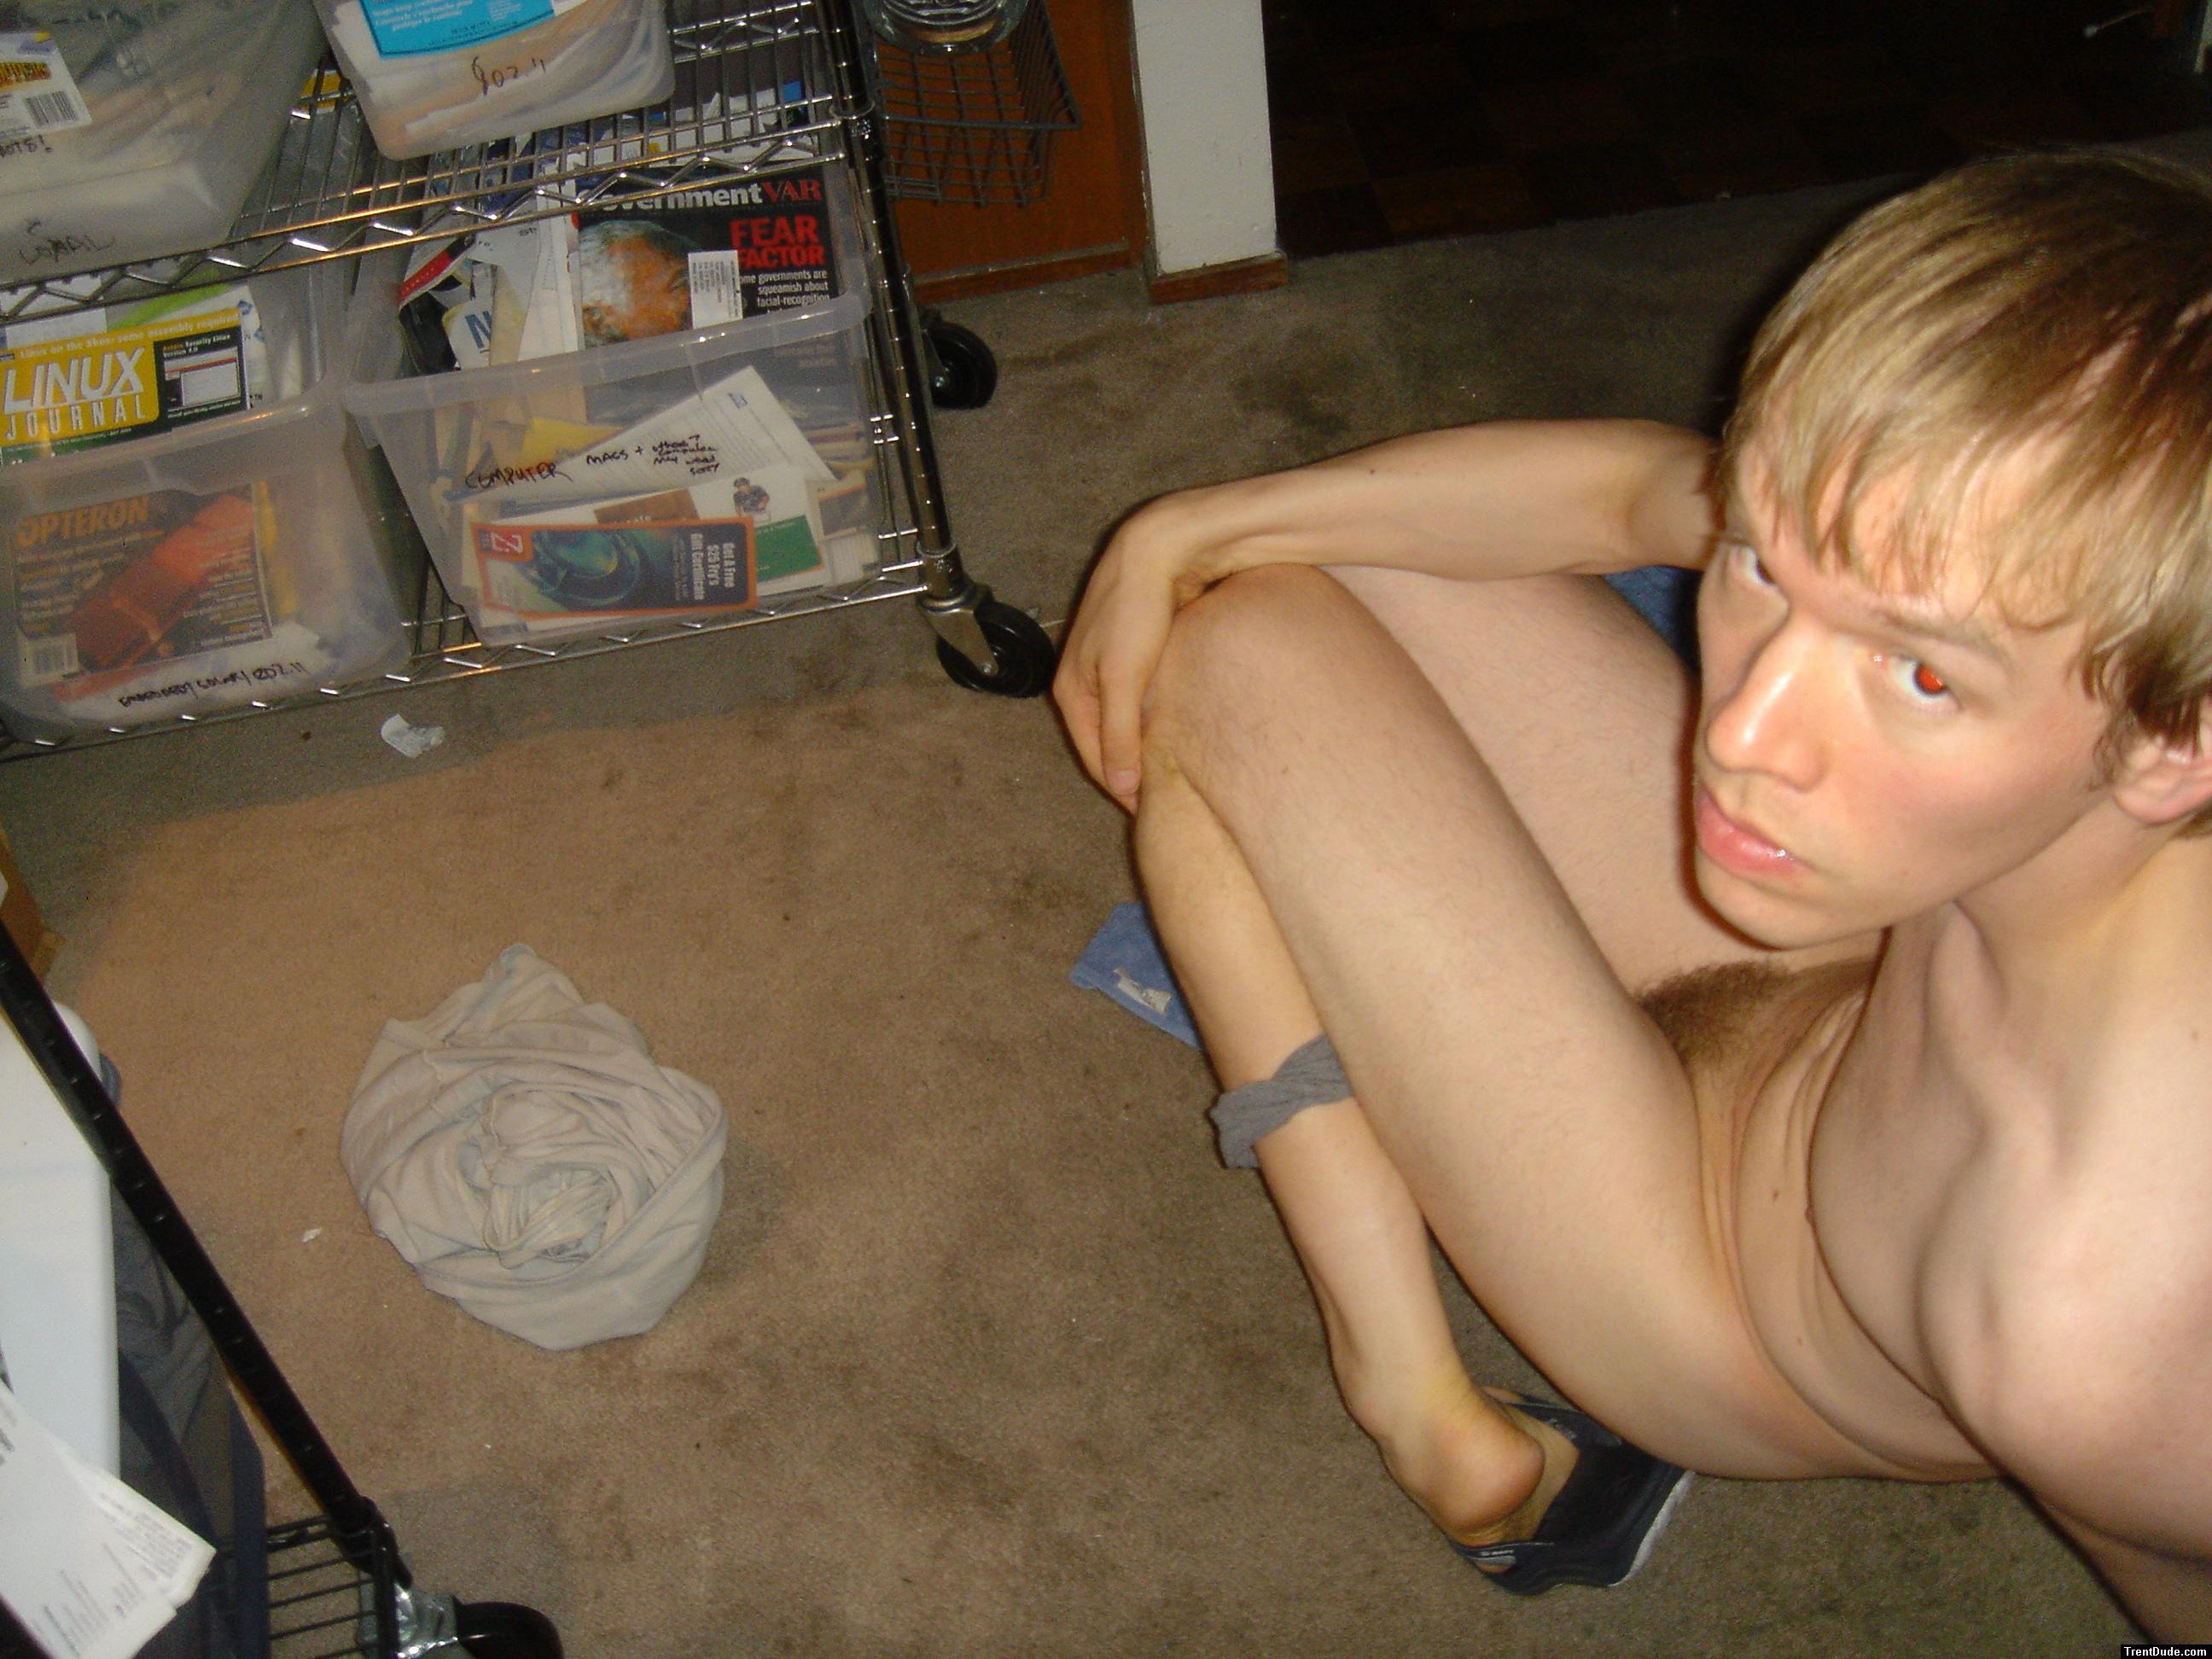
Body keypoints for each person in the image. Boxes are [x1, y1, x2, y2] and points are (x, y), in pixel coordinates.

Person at [1051, 148, 2212, 1637]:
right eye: (1762, 572)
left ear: (2179, 742)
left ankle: (1425, 1416)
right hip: (1844, 985)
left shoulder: (2092, 1333)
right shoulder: (2073, 612)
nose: (1740, 734)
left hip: (1723, 1286)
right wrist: (1183, 528)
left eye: (1919, 675)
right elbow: (1626, 492)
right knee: (1304, 556)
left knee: (1231, 670)